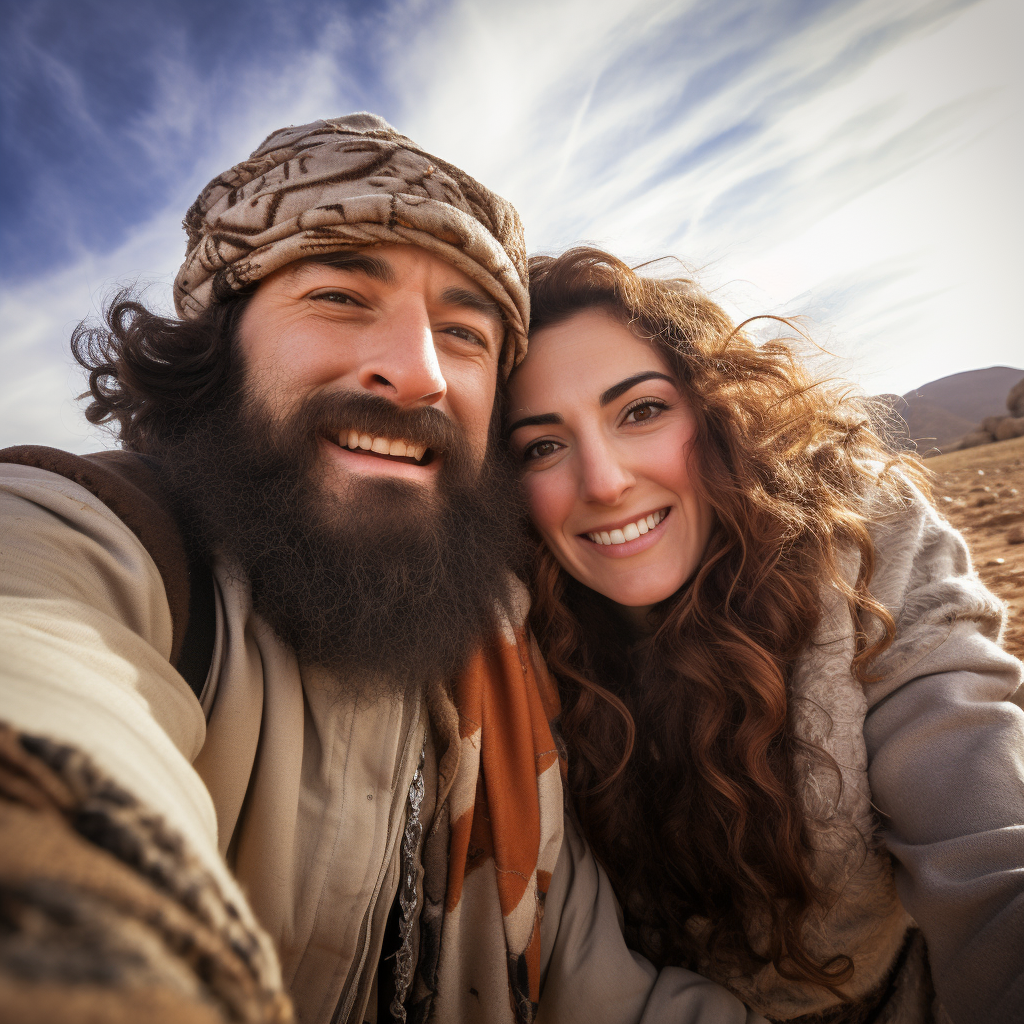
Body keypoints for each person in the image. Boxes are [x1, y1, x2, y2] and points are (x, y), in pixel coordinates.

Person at [0, 118, 765, 1024]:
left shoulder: (502, 654)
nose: (418, 372)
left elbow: (600, 991)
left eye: (465, 334)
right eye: (338, 297)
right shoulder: (96, 539)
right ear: (222, 343)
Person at [506, 247, 1024, 1024]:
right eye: (542, 446)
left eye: (641, 410)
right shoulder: (502, 643)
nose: (605, 481)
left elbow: (987, 839)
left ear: (715, 412)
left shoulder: (863, 543)